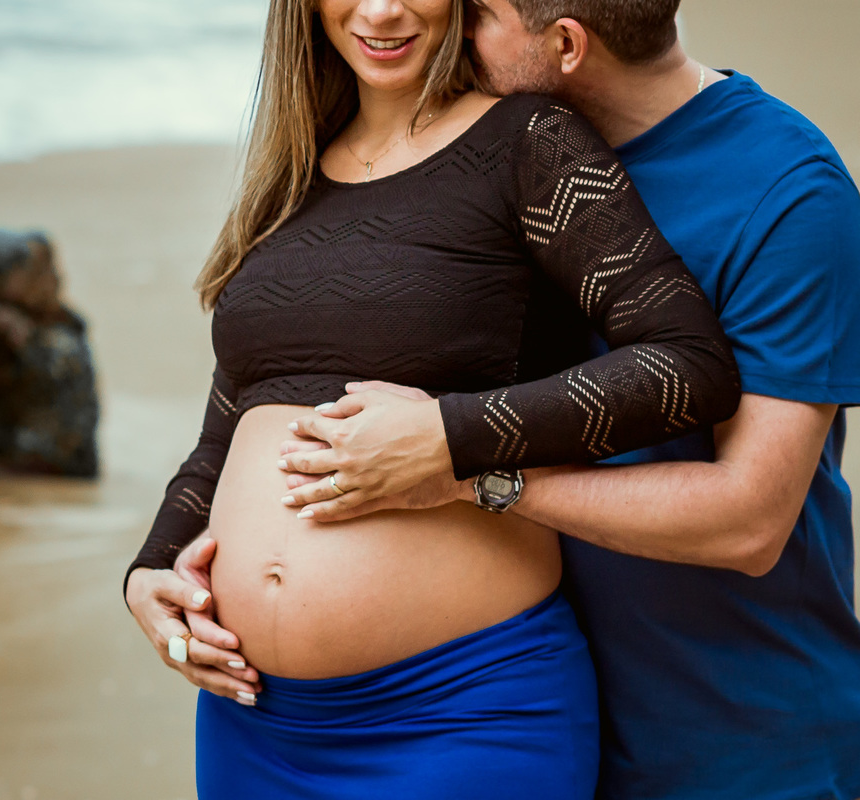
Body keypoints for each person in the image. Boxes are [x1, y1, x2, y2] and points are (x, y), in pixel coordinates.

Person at [124, 0, 741, 797]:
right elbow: (231, 427)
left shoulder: (528, 140)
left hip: (464, 711)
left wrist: (451, 436)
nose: (382, 10)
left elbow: (686, 366)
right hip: (253, 721)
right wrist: (148, 572)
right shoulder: (291, 176)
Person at [260, 1, 860, 798]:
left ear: (566, 44)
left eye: (477, 12)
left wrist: (468, 471)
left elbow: (749, 519)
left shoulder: (789, 195)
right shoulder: (486, 155)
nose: (448, 28)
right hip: (523, 701)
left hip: (739, 737)